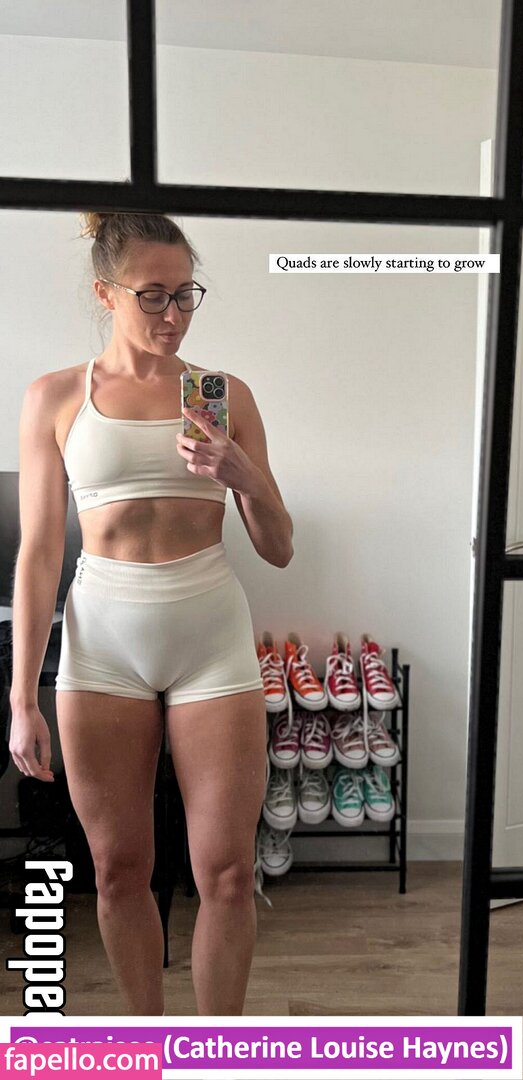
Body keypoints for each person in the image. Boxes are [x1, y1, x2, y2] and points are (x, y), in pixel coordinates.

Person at [8, 211, 293, 1016]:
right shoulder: (56, 397)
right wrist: (22, 697)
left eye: (186, 294)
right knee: (118, 871)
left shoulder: (222, 394)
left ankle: (216, 1058)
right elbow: (38, 553)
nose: (174, 315)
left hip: (210, 640)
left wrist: (243, 474)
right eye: (153, 295)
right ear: (106, 293)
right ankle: (147, 1050)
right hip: (102, 646)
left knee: (228, 874)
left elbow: (278, 548)